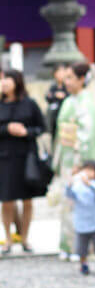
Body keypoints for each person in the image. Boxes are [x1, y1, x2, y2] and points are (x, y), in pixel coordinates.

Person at [53, 62, 95, 261]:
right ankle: (66, 243)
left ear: (82, 79)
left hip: (78, 160)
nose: (66, 82)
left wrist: (82, 164)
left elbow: (88, 134)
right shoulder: (69, 102)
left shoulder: (87, 103)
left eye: (70, 78)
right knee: (67, 203)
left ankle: (81, 247)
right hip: (66, 157)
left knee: (81, 204)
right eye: (66, 78)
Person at [0, 69, 45, 255]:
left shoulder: (30, 104)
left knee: (27, 200)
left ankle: (25, 238)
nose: (3, 83)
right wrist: (7, 129)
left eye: (7, 80)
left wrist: (27, 132)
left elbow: (42, 127)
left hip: (26, 156)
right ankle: (8, 238)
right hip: (4, 157)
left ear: (17, 82)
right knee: (7, 199)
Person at [65, 160, 95, 275]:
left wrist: (88, 184)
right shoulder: (78, 186)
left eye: (91, 170)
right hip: (81, 223)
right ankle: (83, 264)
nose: (87, 172)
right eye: (85, 169)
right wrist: (70, 181)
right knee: (81, 247)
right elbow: (69, 194)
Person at [45, 63, 68, 143]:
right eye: (59, 72)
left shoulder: (67, 86)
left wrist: (58, 96)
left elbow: (67, 97)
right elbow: (48, 97)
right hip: (54, 116)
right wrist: (56, 95)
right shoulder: (53, 86)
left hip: (65, 116)